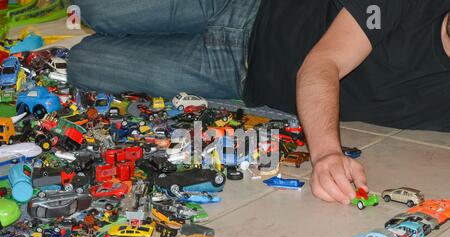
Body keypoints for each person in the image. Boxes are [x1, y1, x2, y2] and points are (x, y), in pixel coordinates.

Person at [68, 0, 450, 205]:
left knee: (84, 65)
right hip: (245, 6)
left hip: (235, 73)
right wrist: (327, 154)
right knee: (91, 8)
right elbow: (322, 65)